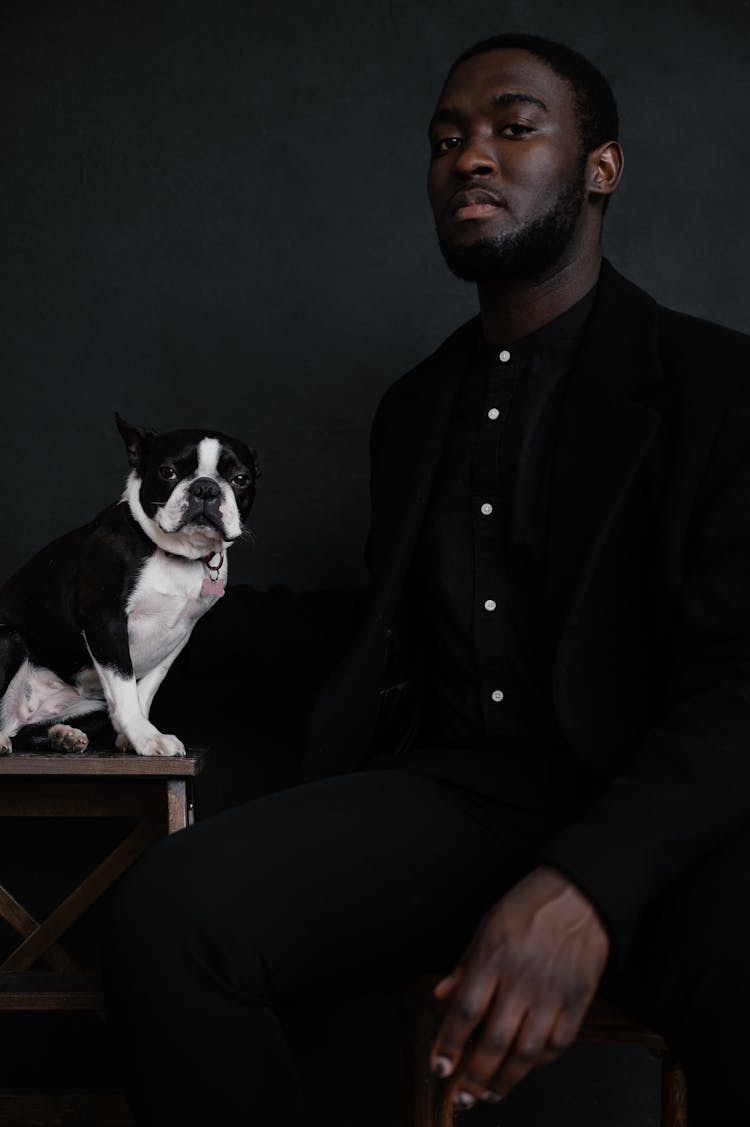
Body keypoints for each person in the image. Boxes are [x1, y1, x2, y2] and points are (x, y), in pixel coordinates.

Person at [106, 33, 750, 1124]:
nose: (470, 158)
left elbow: (740, 677)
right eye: (447, 139)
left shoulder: (720, 384)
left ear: (603, 167)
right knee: (171, 915)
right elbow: (390, 628)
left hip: (669, 813)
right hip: (462, 799)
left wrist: (587, 882)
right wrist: (115, 610)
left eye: (513, 127)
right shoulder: (418, 406)